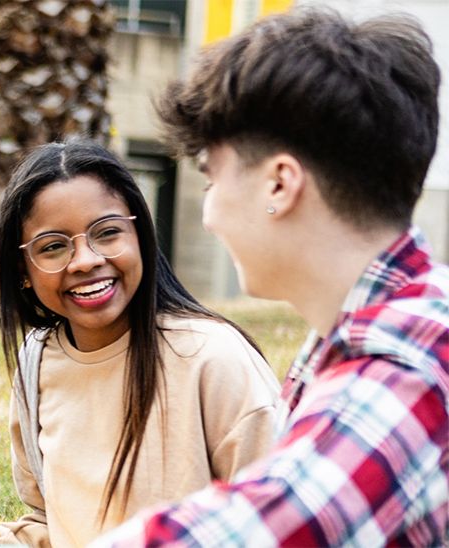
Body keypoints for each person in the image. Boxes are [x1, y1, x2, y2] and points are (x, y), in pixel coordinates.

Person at [94, 7, 447, 546]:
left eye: (211, 179)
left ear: (279, 185)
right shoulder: (380, 322)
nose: (208, 215)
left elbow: (261, 528)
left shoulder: (402, 369)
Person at [0, 141, 282, 547]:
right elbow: (47, 519)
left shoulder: (213, 357)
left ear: (140, 236)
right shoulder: (36, 362)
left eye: (107, 233)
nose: (85, 260)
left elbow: (278, 520)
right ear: (23, 269)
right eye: (53, 246)